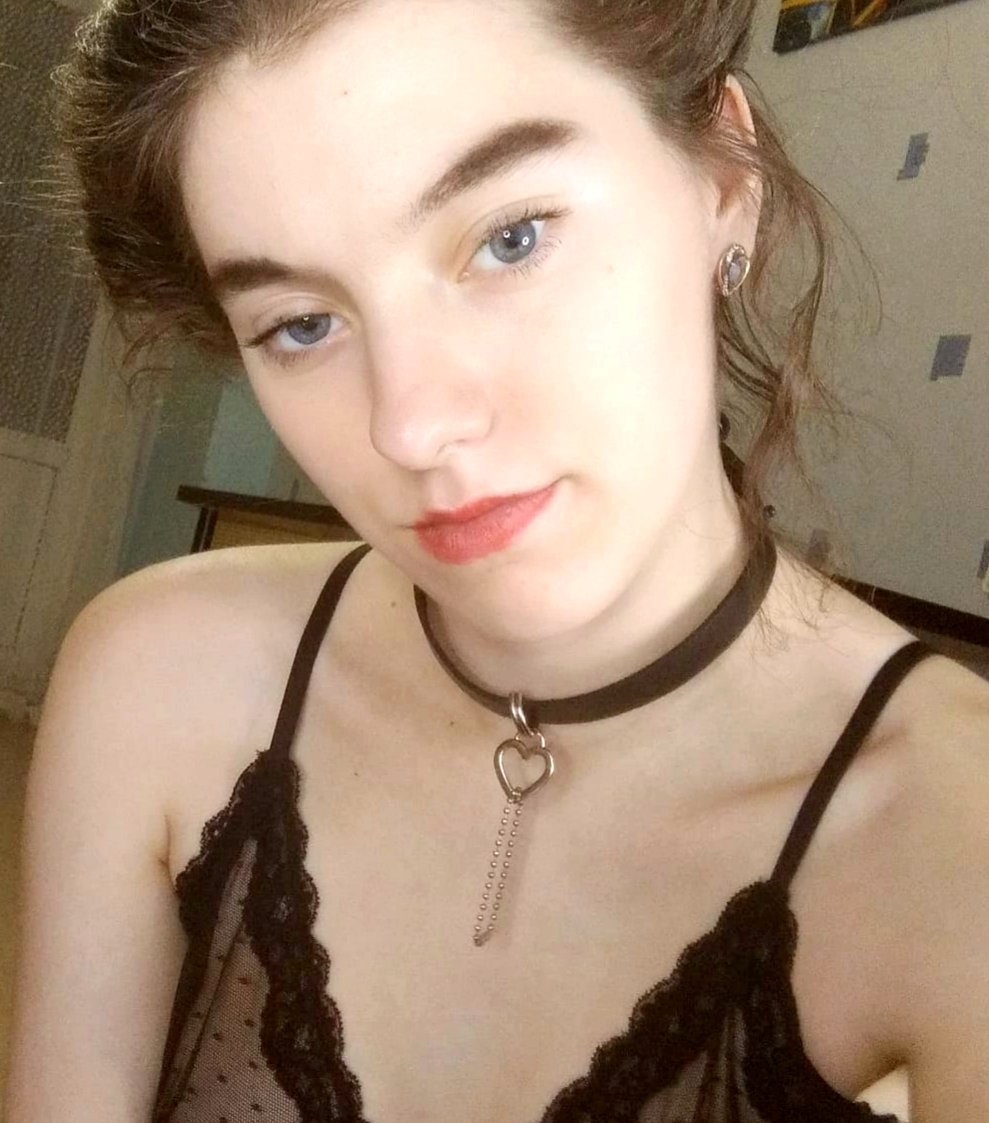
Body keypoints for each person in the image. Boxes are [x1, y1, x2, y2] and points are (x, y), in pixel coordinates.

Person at [5, 0, 988, 1119]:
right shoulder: (158, 680)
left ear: (722, 177)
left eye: (510, 238)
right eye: (300, 323)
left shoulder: (951, 836)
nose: (411, 427)